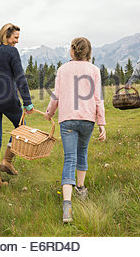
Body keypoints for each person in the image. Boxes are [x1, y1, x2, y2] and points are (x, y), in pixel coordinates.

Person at [44, 37, 106, 223]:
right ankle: (81, 188)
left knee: (69, 158)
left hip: (68, 119)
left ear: (73, 50)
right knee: (83, 152)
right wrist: (101, 123)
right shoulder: (94, 70)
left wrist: (49, 112)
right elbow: (98, 99)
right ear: (88, 52)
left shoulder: (63, 69)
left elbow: (56, 95)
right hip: (87, 119)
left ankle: (67, 205)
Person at [0, 23, 34, 187]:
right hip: (6, 99)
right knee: (21, 127)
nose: (17, 41)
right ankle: (7, 161)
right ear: (6, 35)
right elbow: (20, 78)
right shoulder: (11, 51)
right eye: (15, 37)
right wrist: (28, 102)